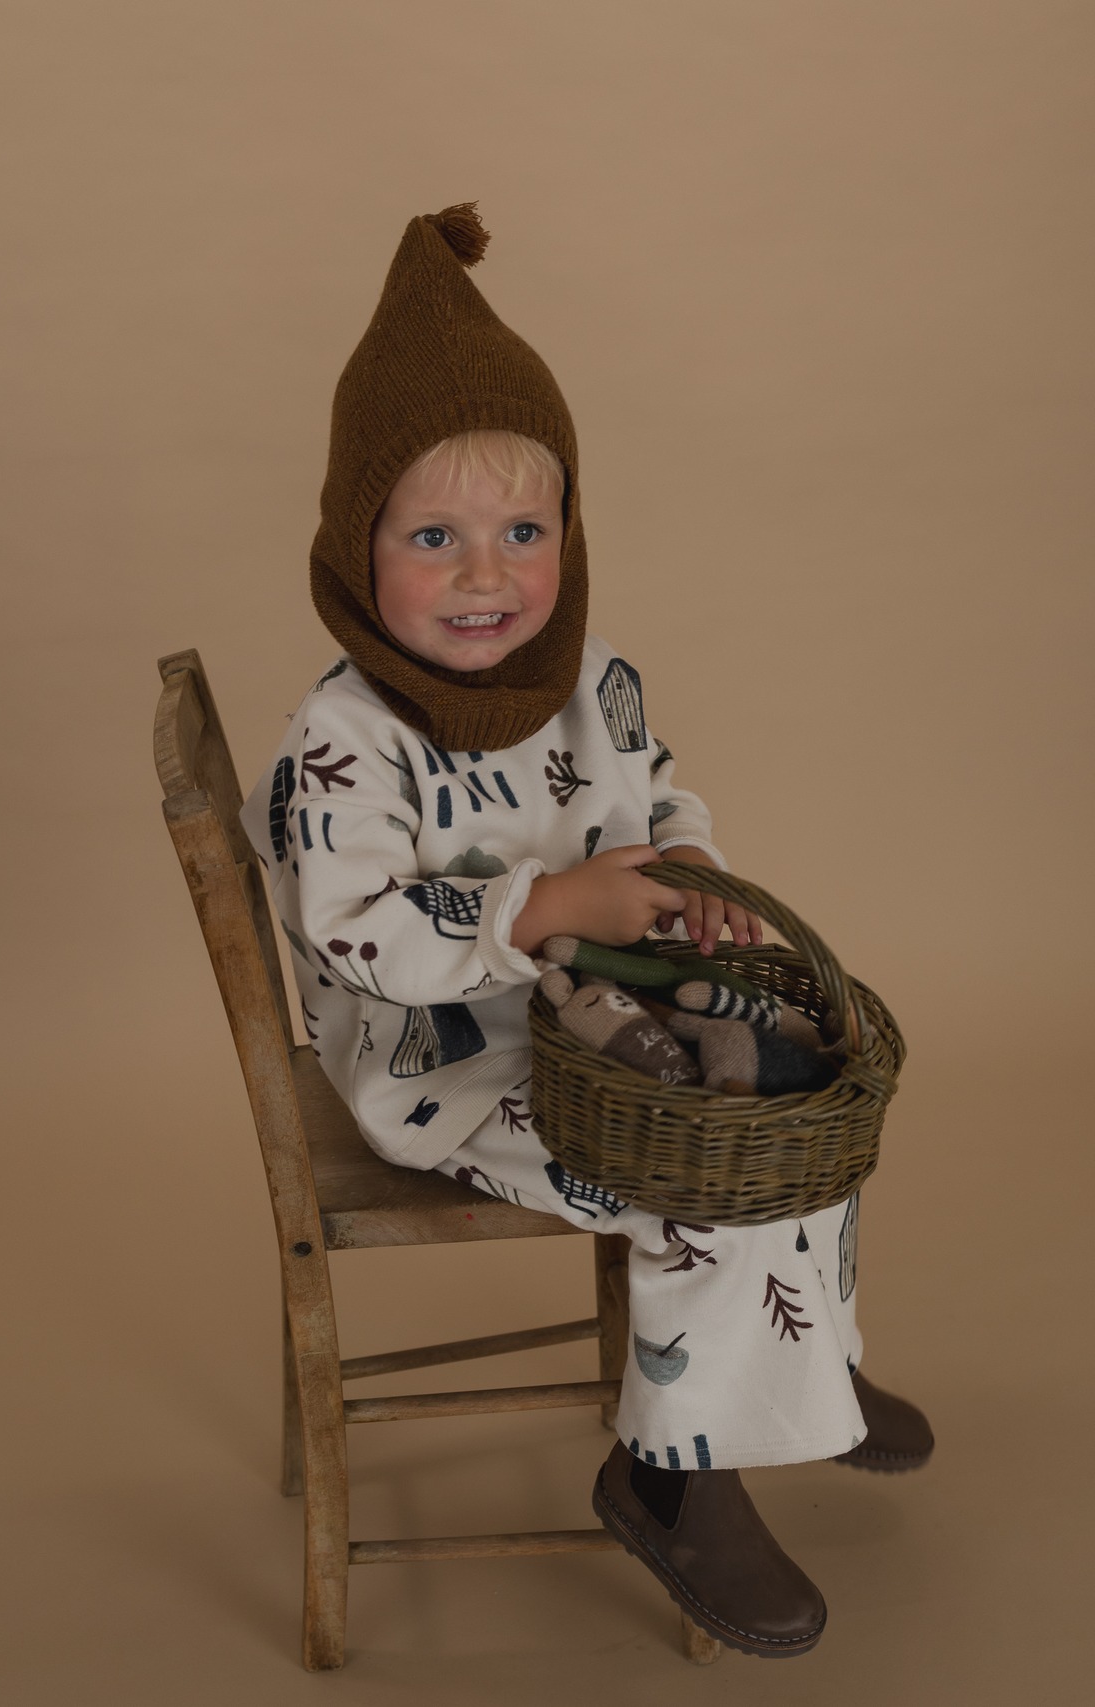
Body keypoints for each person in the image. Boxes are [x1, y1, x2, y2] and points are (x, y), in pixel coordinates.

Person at [239, 203, 932, 1659]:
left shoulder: (587, 681)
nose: (486, 576)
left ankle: (799, 1368)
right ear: (357, 546)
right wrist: (543, 906)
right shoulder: (347, 738)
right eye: (434, 537)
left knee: (791, 1093)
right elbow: (353, 933)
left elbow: (660, 792)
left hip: (602, 1011)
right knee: (691, 1176)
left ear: (570, 533)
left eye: (523, 533)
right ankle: (672, 1477)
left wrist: (689, 868)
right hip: (452, 1063)